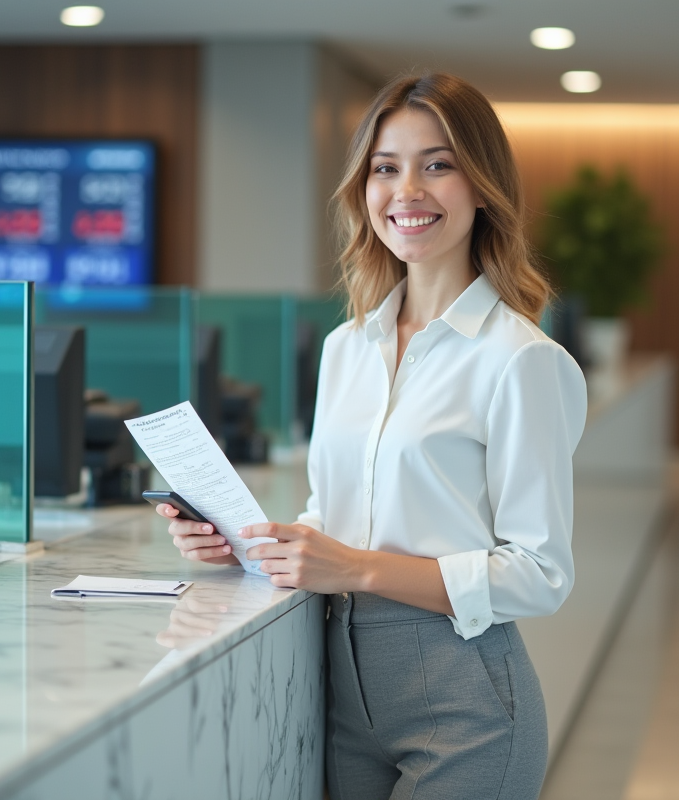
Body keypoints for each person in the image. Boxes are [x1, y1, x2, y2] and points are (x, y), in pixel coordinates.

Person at [157, 73, 586, 799]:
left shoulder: (521, 360)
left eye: (438, 165)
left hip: (467, 701)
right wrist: (249, 542)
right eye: (385, 168)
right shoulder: (345, 348)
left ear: (483, 187)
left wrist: (355, 569)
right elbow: (339, 512)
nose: (407, 190)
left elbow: (539, 573)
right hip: (343, 691)